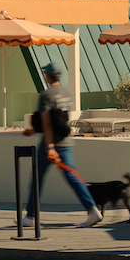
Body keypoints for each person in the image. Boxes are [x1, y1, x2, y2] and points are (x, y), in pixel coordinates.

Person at [23, 61, 103, 228]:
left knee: (37, 179)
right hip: (66, 143)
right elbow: (59, 120)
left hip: (50, 145)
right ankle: (92, 209)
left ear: (48, 75)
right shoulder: (66, 94)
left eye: (45, 73)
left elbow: (47, 124)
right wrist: (33, 130)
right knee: (72, 177)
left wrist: (50, 147)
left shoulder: (46, 95)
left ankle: (30, 216)